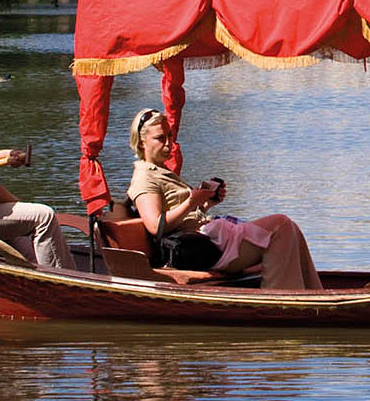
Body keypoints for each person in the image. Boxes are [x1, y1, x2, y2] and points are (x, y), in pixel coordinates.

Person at [126, 108, 321, 289]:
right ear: (143, 143)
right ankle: (281, 299)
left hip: (207, 239)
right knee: (281, 225)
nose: (169, 143)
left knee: (291, 228)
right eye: (161, 138)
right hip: (198, 249)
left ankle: (314, 292)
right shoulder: (144, 177)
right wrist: (191, 202)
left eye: (170, 135)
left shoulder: (160, 171)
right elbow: (156, 226)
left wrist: (205, 204)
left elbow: (184, 217)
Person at [0, 59, 73, 268]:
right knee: (43, 215)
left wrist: (7, 154)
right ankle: (65, 282)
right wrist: (19, 204)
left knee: (19, 224)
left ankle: (31, 267)